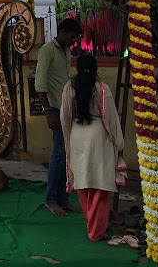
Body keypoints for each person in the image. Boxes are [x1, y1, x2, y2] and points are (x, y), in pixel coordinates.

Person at [61, 54, 125, 241]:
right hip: (99, 138)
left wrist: (68, 142)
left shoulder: (68, 88)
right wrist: (119, 144)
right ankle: (96, 231)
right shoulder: (102, 89)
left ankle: (93, 224)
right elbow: (111, 120)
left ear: (78, 68)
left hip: (77, 137)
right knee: (100, 186)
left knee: (83, 183)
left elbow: (65, 119)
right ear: (96, 68)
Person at [34, 17, 82, 216]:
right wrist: (47, 112)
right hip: (54, 109)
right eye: (72, 37)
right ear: (62, 32)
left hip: (67, 108)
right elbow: (40, 84)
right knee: (60, 154)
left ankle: (62, 198)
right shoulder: (47, 50)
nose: (73, 41)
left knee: (66, 155)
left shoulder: (66, 51)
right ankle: (51, 199)